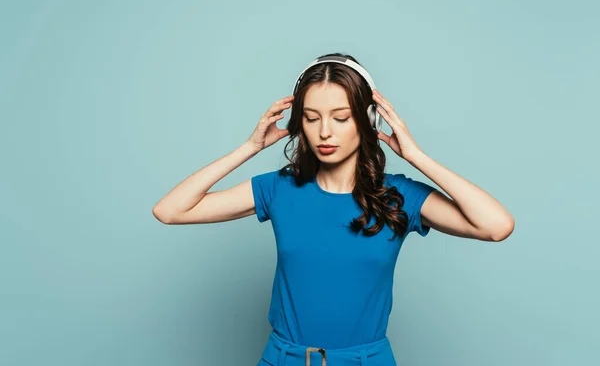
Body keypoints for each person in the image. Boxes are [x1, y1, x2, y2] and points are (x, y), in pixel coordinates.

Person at [152, 52, 515, 366]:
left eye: (341, 118)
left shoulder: (398, 195)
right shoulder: (278, 188)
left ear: (368, 120)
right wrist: (249, 147)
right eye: (311, 118)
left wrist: (417, 158)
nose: (325, 131)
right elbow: (170, 210)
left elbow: (496, 226)